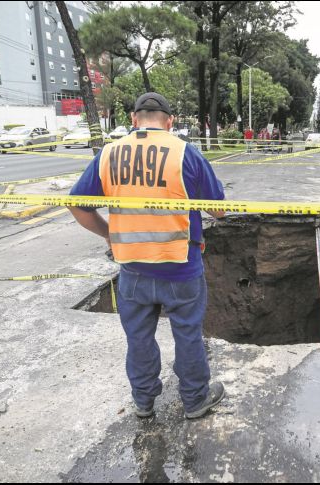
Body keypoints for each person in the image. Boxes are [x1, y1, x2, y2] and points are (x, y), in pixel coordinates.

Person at [68, 92, 226, 420]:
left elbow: (76, 203)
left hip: (133, 269)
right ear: (169, 123)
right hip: (180, 266)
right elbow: (220, 211)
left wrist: (109, 233)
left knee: (139, 339)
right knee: (187, 334)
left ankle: (143, 402)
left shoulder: (109, 154)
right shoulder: (186, 153)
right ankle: (195, 400)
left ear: (134, 119)